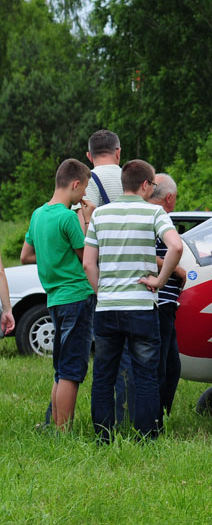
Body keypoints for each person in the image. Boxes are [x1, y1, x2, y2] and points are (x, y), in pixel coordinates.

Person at [84, 160, 183, 442]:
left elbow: (89, 264)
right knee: (146, 376)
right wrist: (160, 280)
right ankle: (145, 437)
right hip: (141, 306)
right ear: (145, 185)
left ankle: (103, 436)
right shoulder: (154, 212)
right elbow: (175, 246)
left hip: (108, 308)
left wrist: (101, 292)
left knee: (104, 375)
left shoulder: (100, 215)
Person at [20, 159, 95, 429]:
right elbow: (86, 256)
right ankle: (63, 431)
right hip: (76, 295)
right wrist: (86, 218)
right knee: (72, 371)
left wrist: (52, 255)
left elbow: (25, 255)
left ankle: (53, 424)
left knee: (61, 368)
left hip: (54, 298)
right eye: (84, 189)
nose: (84, 195)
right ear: (75, 184)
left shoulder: (38, 214)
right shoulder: (66, 217)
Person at [82, 128, 133, 423]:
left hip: (101, 277)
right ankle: (132, 415)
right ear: (118, 152)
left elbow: (84, 230)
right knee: (134, 353)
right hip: (135, 276)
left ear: (89, 155)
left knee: (106, 355)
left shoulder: (87, 182)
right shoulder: (133, 177)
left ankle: (108, 420)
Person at [149, 173, 186, 433]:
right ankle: (153, 424)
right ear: (169, 198)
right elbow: (143, 252)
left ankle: (159, 417)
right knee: (161, 367)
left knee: (172, 367)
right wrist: (176, 271)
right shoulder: (155, 217)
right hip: (159, 301)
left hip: (167, 303)